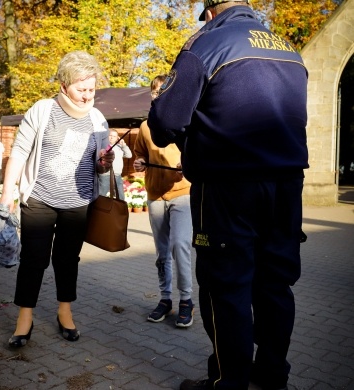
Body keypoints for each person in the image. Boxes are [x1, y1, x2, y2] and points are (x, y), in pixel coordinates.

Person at [148, 1, 309, 390]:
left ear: (210, 11)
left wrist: (188, 133)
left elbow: (165, 123)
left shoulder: (206, 43)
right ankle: (273, 376)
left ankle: (228, 381)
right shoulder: (289, 49)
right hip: (287, 187)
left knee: (226, 284)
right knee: (275, 283)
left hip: (228, 188)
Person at [0, 50, 115, 348]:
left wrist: (105, 161)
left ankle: (65, 312)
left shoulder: (97, 118)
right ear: (64, 85)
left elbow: (100, 165)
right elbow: (20, 153)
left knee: (67, 260)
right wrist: (7, 196)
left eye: (92, 89)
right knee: (33, 260)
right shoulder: (42, 110)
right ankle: (25, 317)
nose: (88, 96)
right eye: (81, 89)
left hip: (78, 202)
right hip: (39, 199)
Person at [133, 75, 194, 328]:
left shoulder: (186, 123)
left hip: (182, 193)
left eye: (163, 91)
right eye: (155, 92)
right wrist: (138, 163)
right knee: (162, 253)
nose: (158, 95)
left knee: (180, 245)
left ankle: (187, 300)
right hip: (155, 195)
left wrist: (187, 165)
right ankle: (166, 299)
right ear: (151, 95)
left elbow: (197, 153)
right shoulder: (146, 126)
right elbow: (139, 155)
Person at [98, 129, 132, 200]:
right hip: (105, 175)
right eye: (110, 135)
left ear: (117, 138)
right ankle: (97, 209)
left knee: (120, 197)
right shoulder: (102, 146)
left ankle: (119, 210)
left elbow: (129, 155)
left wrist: (123, 145)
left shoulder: (120, 147)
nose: (111, 137)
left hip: (117, 175)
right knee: (101, 195)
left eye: (114, 136)